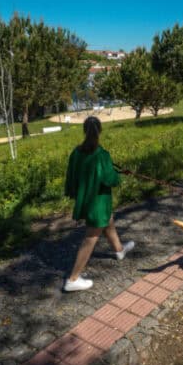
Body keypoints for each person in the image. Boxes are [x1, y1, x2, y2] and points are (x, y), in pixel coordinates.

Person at [63, 116, 134, 292]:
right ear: (100, 131)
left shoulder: (76, 152)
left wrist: (73, 193)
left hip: (85, 200)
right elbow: (110, 179)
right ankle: (73, 279)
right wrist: (118, 176)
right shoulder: (102, 155)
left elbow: (70, 176)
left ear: (84, 131)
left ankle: (119, 250)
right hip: (98, 202)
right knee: (91, 238)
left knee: (108, 222)